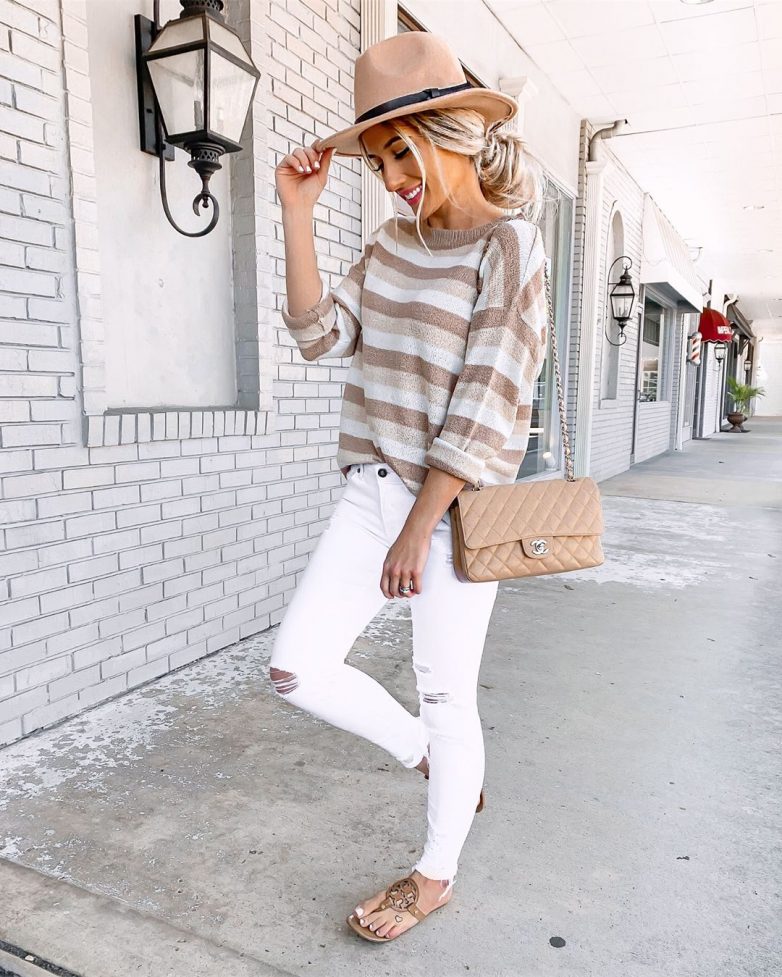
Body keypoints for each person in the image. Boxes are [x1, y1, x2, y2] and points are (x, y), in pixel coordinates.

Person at [269, 30, 548, 944]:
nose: (391, 178)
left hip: (455, 510)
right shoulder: (392, 244)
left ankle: (435, 874)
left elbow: (488, 399)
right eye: (379, 160)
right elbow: (319, 335)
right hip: (371, 490)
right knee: (296, 667)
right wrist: (297, 213)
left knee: (446, 690)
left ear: (450, 135)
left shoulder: (511, 246)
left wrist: (418, 528)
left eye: (400, 153)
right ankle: (433, 758)